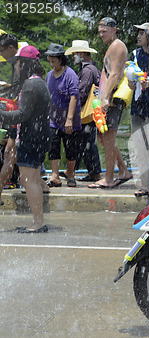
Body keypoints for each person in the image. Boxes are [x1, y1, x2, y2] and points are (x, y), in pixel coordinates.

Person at [0, 45, 51, 232]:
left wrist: (2, 115)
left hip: (32, 137)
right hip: (40, 136)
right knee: (34, 179)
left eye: (18, 63)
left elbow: (23, 115)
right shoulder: (39, 82)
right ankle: (38, 222)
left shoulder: (30, 84)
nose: (16, 67)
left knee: (28, 180)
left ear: (26, 63)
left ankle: (38, 223)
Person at [89, 17, 132, 189]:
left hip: (112, 99)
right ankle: (123, 170)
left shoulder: (117, 46)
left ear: (114, 29)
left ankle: (108, 178)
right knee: (103, 137)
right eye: (99, 31)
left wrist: (104, 98)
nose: (101, 34)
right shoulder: (112, 47)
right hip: (107, 97)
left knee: (108, 138)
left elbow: (114, 74)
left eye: (104, 31)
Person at [64, 40, 102, 182]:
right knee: (86, 142)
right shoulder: (91, 68)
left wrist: (70, 107)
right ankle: (85, 171)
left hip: (85, 114)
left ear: (82, 54)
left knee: (86, 143)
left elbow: (81, 94)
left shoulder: (86, 70)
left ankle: (93, 172)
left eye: (75, 54)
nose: (73, 57)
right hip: (91, 114)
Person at [45, 43, 82, 188]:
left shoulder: (70, 74)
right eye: (49, 58)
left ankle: (71, 174)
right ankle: (55, 175)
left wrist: (69, 119)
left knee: (70, 147)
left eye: (53, 58)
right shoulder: (49, 75)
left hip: (69, 118)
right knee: (53, 146)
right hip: (53, 118)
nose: (51, 61)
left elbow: (74, 96)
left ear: (61, 59)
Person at [127, 22, 149, 197]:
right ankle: (144, 184)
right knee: (139, 146)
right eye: (137, 33)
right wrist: (131, 83)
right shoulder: (135, 54)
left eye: (141, 33)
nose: (138, 36)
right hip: (137, 106)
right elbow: (130, 82)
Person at [0, 33, 20, 200]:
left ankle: (10, 182)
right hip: (13, 112)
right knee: (9, 151)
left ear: (11, 48)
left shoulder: (20, 63)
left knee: (9, 152)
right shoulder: (13, 63)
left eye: (2, 50)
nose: (1, 54)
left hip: (18, 114)